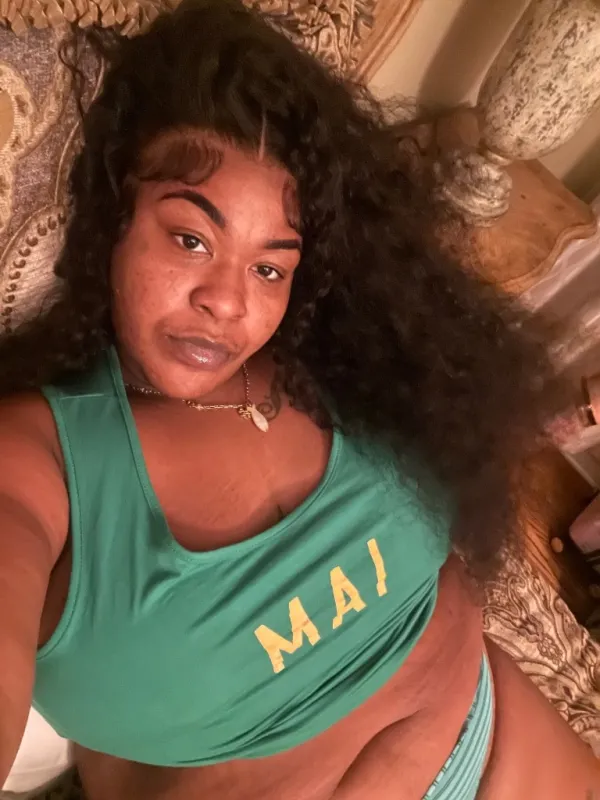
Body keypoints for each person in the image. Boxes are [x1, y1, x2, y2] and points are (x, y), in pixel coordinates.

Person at [0, 1, 598, 797]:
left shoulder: (345, 367)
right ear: (114, 219)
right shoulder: (40, 457)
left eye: (269, 268)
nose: (228, 303)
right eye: (191, 239)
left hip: (511, 745)